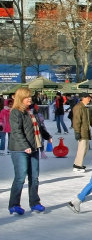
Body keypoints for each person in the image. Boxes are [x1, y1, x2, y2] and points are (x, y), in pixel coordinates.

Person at [8, 87, 51, 215]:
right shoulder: (16, 112)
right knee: (20, 177)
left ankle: (35, 203)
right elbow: (16, 131)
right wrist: (24, 145)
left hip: (33, 147)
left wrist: (47, 136)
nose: (30, 99)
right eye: (27, 97)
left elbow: (38, 127)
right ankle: (14, 205)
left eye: (30, 97)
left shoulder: (31, 112)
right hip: (20, 149)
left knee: (34, 177)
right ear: (21, 98)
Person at [72, 92, 92, 173]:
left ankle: (78, 164)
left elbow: (91, 119)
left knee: (85, 148)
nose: (89, 99)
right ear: (83, 98)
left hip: (86, 131)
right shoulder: (78, 107)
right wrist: (77, 131)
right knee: (82, 148)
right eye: (88, 97)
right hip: (81, 131)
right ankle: (77, 165)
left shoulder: (85, 108)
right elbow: (76, 120)